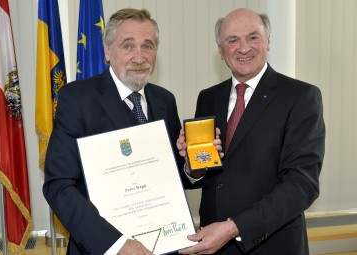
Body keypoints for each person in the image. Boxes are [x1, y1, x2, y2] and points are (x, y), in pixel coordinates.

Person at [177, 8, 325, 255]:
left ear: (268, 41)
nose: (243, 48)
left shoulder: (300, 97)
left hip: (272, 245)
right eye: (232, 40)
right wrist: (193, 168)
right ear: (221, 51)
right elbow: (209, 173)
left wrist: (233, 228)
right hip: (213, 247)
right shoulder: (208, 97)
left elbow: (302, 184)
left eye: (253, 37)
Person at [43, 8, 189, 255]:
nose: (139, 56)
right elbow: (59, 186)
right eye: (128, 46)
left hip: (163, 244)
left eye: (148, 46)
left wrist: (190, 165)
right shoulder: (77, 99)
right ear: (108, 51)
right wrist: (116, 244)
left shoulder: (165, 101)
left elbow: (172, 178)